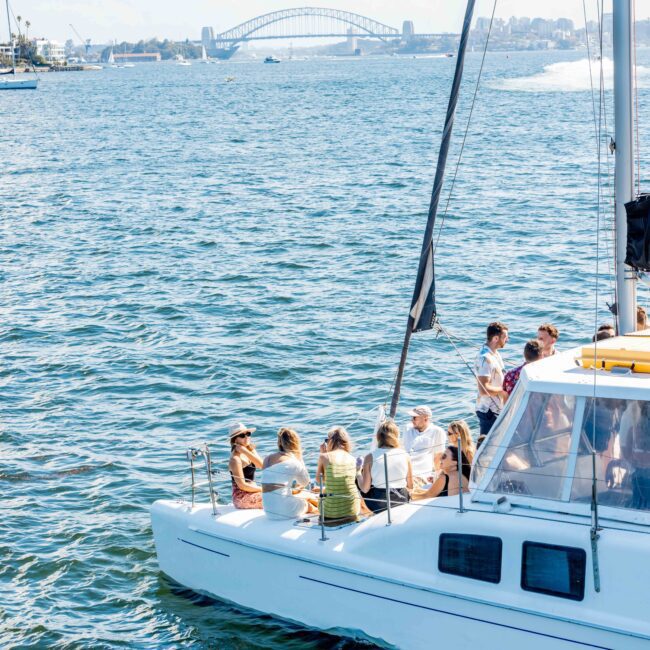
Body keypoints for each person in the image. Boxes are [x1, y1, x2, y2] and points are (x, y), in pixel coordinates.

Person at [261, 428, 319, 520]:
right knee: (307, 503)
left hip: (268, 511)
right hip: (284, 511)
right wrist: (300, 459)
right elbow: (305, 482)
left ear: (279, 442)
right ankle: (322, 513)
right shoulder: (294, 461)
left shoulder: (267, 459)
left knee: (300, 497)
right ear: (295, 443)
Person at [359, 420, 413, 514]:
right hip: (402, 500)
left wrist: (357, 473)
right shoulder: (405, 455)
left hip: (379, 504)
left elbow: (365, 489)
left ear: (378, 437)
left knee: (359, 481)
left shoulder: (370, 457)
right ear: (396, 436)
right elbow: (410, 485)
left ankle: (365, 513)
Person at [316, 426, 362, 522]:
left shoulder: (324, 457)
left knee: (321, 493)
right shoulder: (352, 459)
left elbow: (319, 480)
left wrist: (323, 453)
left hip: (329, 512)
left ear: (330, 441)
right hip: (352, 510)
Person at [474, 321, 509, 436]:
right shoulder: (485, 358)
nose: (507, 340)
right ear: (495, 338)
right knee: (488, 450)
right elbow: (483, 390)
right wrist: (503, 391)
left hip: (497, 409)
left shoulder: (495, 353)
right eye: (505, 337)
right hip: (488, 412)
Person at [402, 405, 446, 485]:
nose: (412, 420)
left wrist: (437, 478)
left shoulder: (437, 432)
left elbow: (438, 457)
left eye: (414, 418)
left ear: (425, 418)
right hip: (402, 472)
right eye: (412, 418)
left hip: (420, 475)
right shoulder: (407, 428)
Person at [228, 422, 264, 509]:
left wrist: (245, 451)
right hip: (241, 496)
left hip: (253, 490)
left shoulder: (249, 450)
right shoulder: (235, 459)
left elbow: (261, 466)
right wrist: (264, 489)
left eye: (248, 434)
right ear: (235, 440)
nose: (247, 437)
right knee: (275, 498)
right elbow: (242, 485)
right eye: (242, 435)